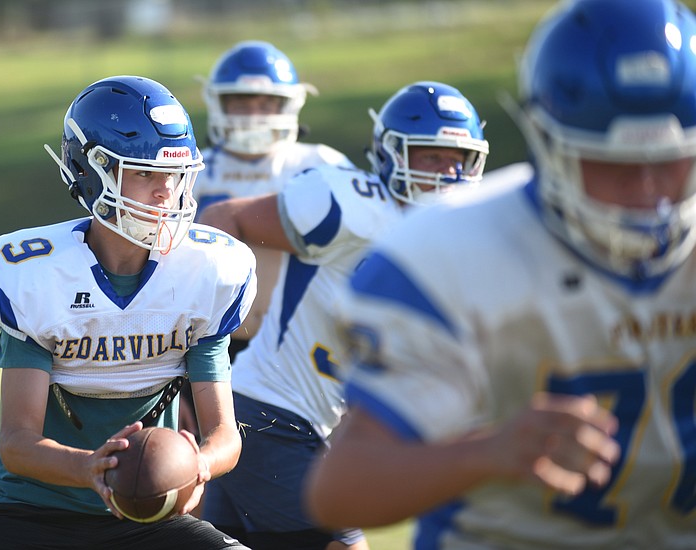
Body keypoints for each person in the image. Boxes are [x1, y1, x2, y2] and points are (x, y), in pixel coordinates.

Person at [305, 0, 696, 548]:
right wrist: (489, 452)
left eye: (670, 163)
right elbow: (339, 492)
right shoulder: (452, 252)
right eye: (612, 166)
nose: (646, 193)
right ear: (550, 143)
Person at [0, 75, 256, 549]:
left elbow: (225, 434)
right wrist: (90, 469)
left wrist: (196, 464)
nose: (165, 192)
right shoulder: (38, 275)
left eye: (174, 175)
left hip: (147, 517)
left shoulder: (205, 273)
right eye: (143, 173)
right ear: (90, 171)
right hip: (31, 512)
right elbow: (16, 443)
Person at [198, 81, 490, 550]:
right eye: (431, 156)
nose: (448, 172)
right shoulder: (349, 204)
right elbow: (222, 219)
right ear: (393, 155)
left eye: (460, 159)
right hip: (272, 413)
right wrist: (206, 343)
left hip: (292, 419)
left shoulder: (457, 243)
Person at [179, 40, 354, 437]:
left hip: (299, 347)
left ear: (290, 105)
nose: (254, 116)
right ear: (219, 103)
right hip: (211, 345)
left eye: (266, 103)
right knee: (196, 468)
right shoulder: (193, 171)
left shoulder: (320, 165)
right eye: (242, 102)